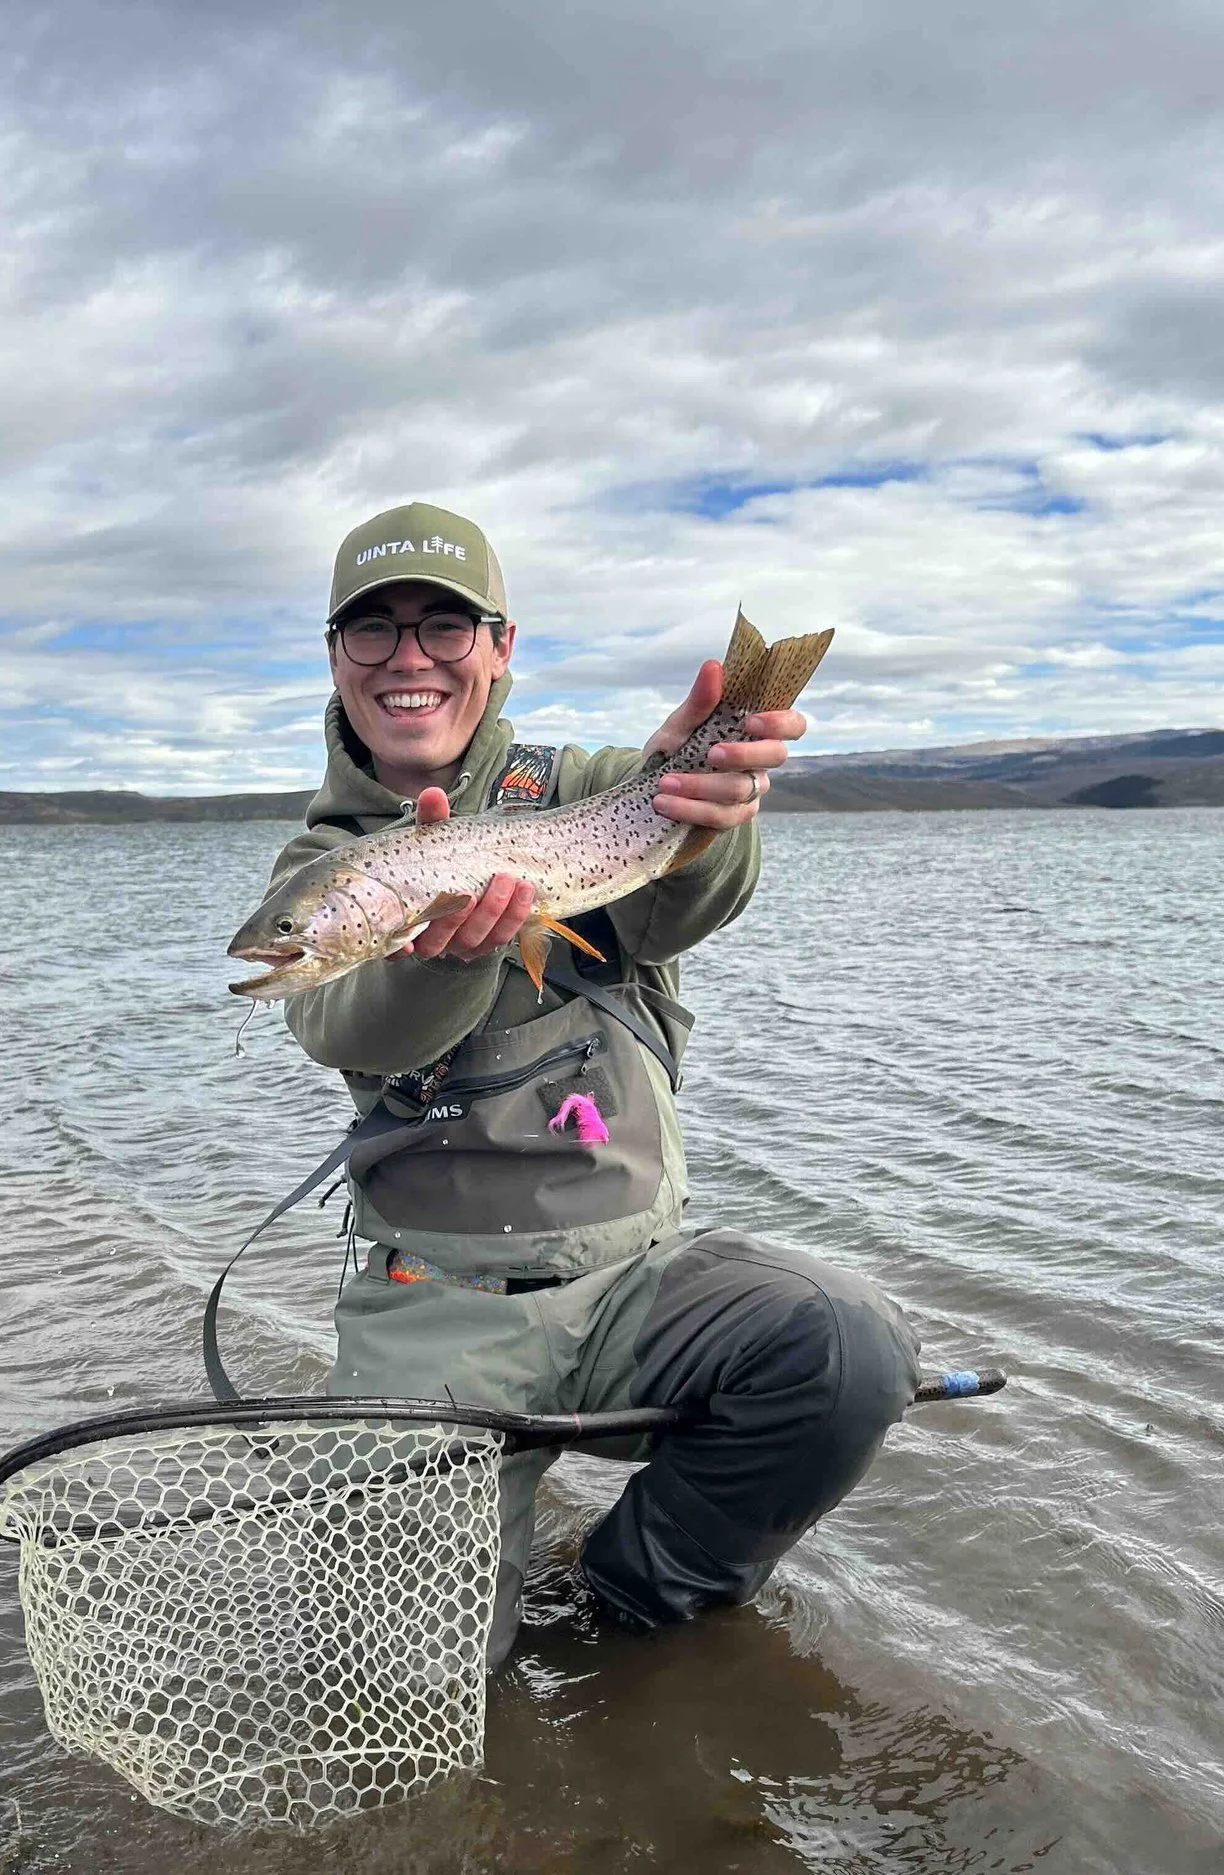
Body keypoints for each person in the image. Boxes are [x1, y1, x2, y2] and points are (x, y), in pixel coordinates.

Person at [266, 500, 918, 1659]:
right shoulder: (323, 866)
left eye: (444, 627)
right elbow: (348, 1027)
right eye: (372, 631)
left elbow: (678, 901)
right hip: (435, 1308)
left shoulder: (585, 784)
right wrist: (443, 961)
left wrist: (711, 809)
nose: (408, 658)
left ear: (500, 647)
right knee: (409, 1668)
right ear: (334, 656)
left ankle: (634, 1597)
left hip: (635, 1290)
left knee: (843, 1341)